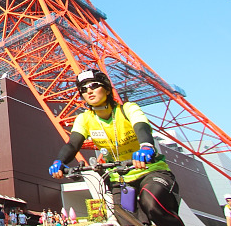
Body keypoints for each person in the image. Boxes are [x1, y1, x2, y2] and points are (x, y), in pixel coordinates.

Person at [48, 69, 185, 226]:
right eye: (83, 89)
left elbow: (142, 127)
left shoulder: (127, 109)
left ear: (107, 89)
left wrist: (146, 147)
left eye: (94, 86)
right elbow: (73, 144)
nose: (89, 91)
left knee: (152, 201)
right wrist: (59, 161)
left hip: (150, 170)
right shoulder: (84, 119)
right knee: (127, 220)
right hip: (120, 178)